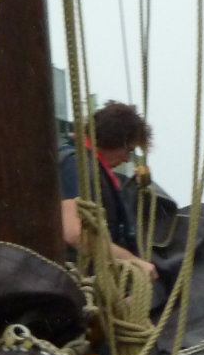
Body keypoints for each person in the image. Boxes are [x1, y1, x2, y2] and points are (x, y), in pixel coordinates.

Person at [58, 100, 158, 280]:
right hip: (75, 282)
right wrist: (133, 261)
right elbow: (74, 232)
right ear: (114, 140)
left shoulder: (88, 167)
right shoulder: (76, 165)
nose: (128, 159)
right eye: (129, 150)